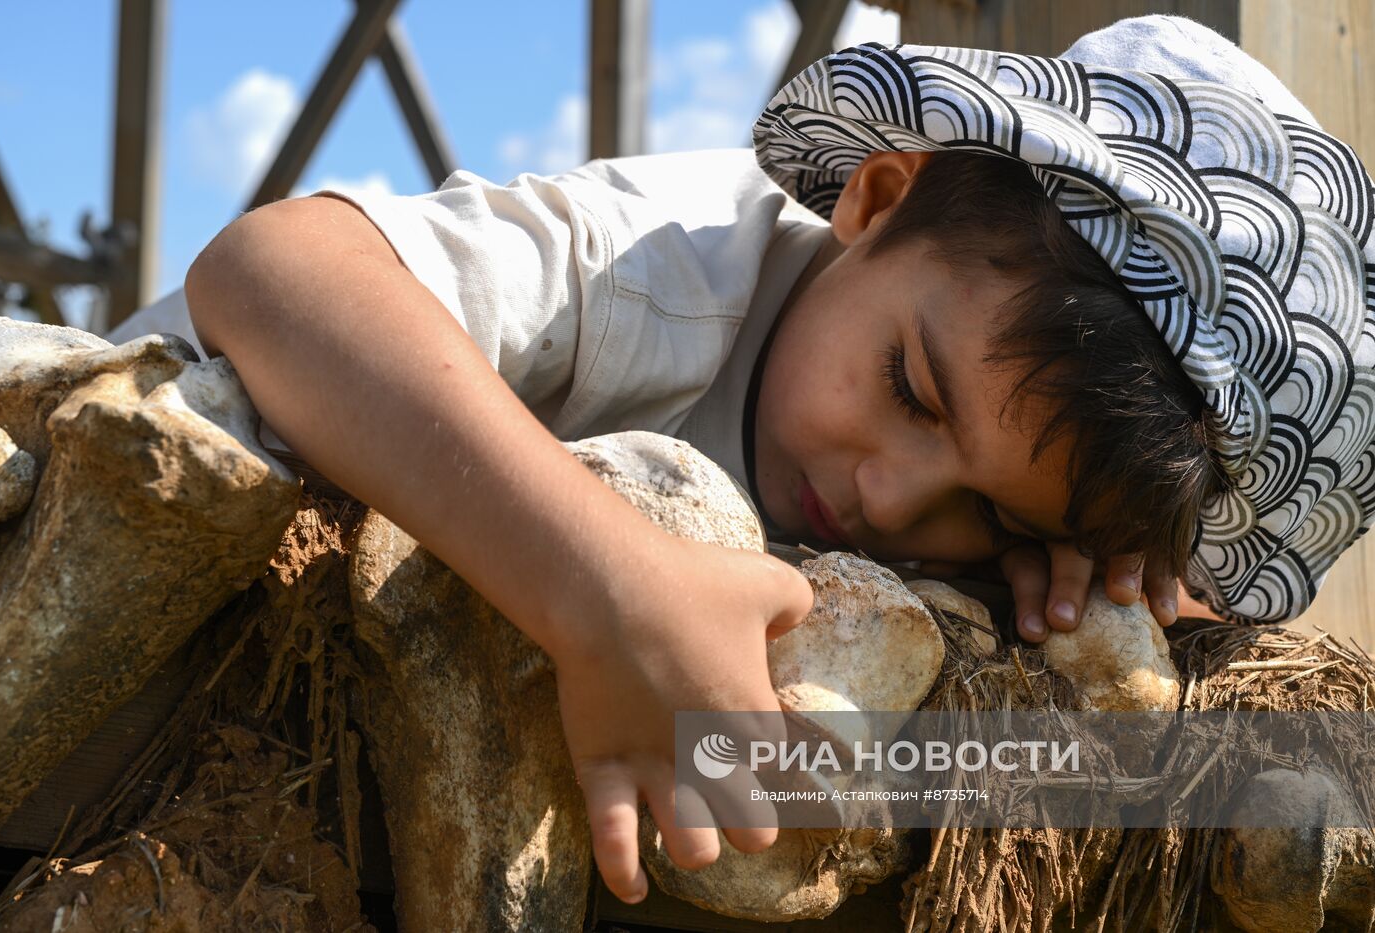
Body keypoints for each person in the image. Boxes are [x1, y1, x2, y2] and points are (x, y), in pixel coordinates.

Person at [179, 14, 1375, 906]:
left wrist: (1066, 588)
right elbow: (271, 270)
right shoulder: (658, 269)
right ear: (874, 199)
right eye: (911, 389)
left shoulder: (946, 480)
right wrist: (601, 588)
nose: (888, 499)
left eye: (995, 518)